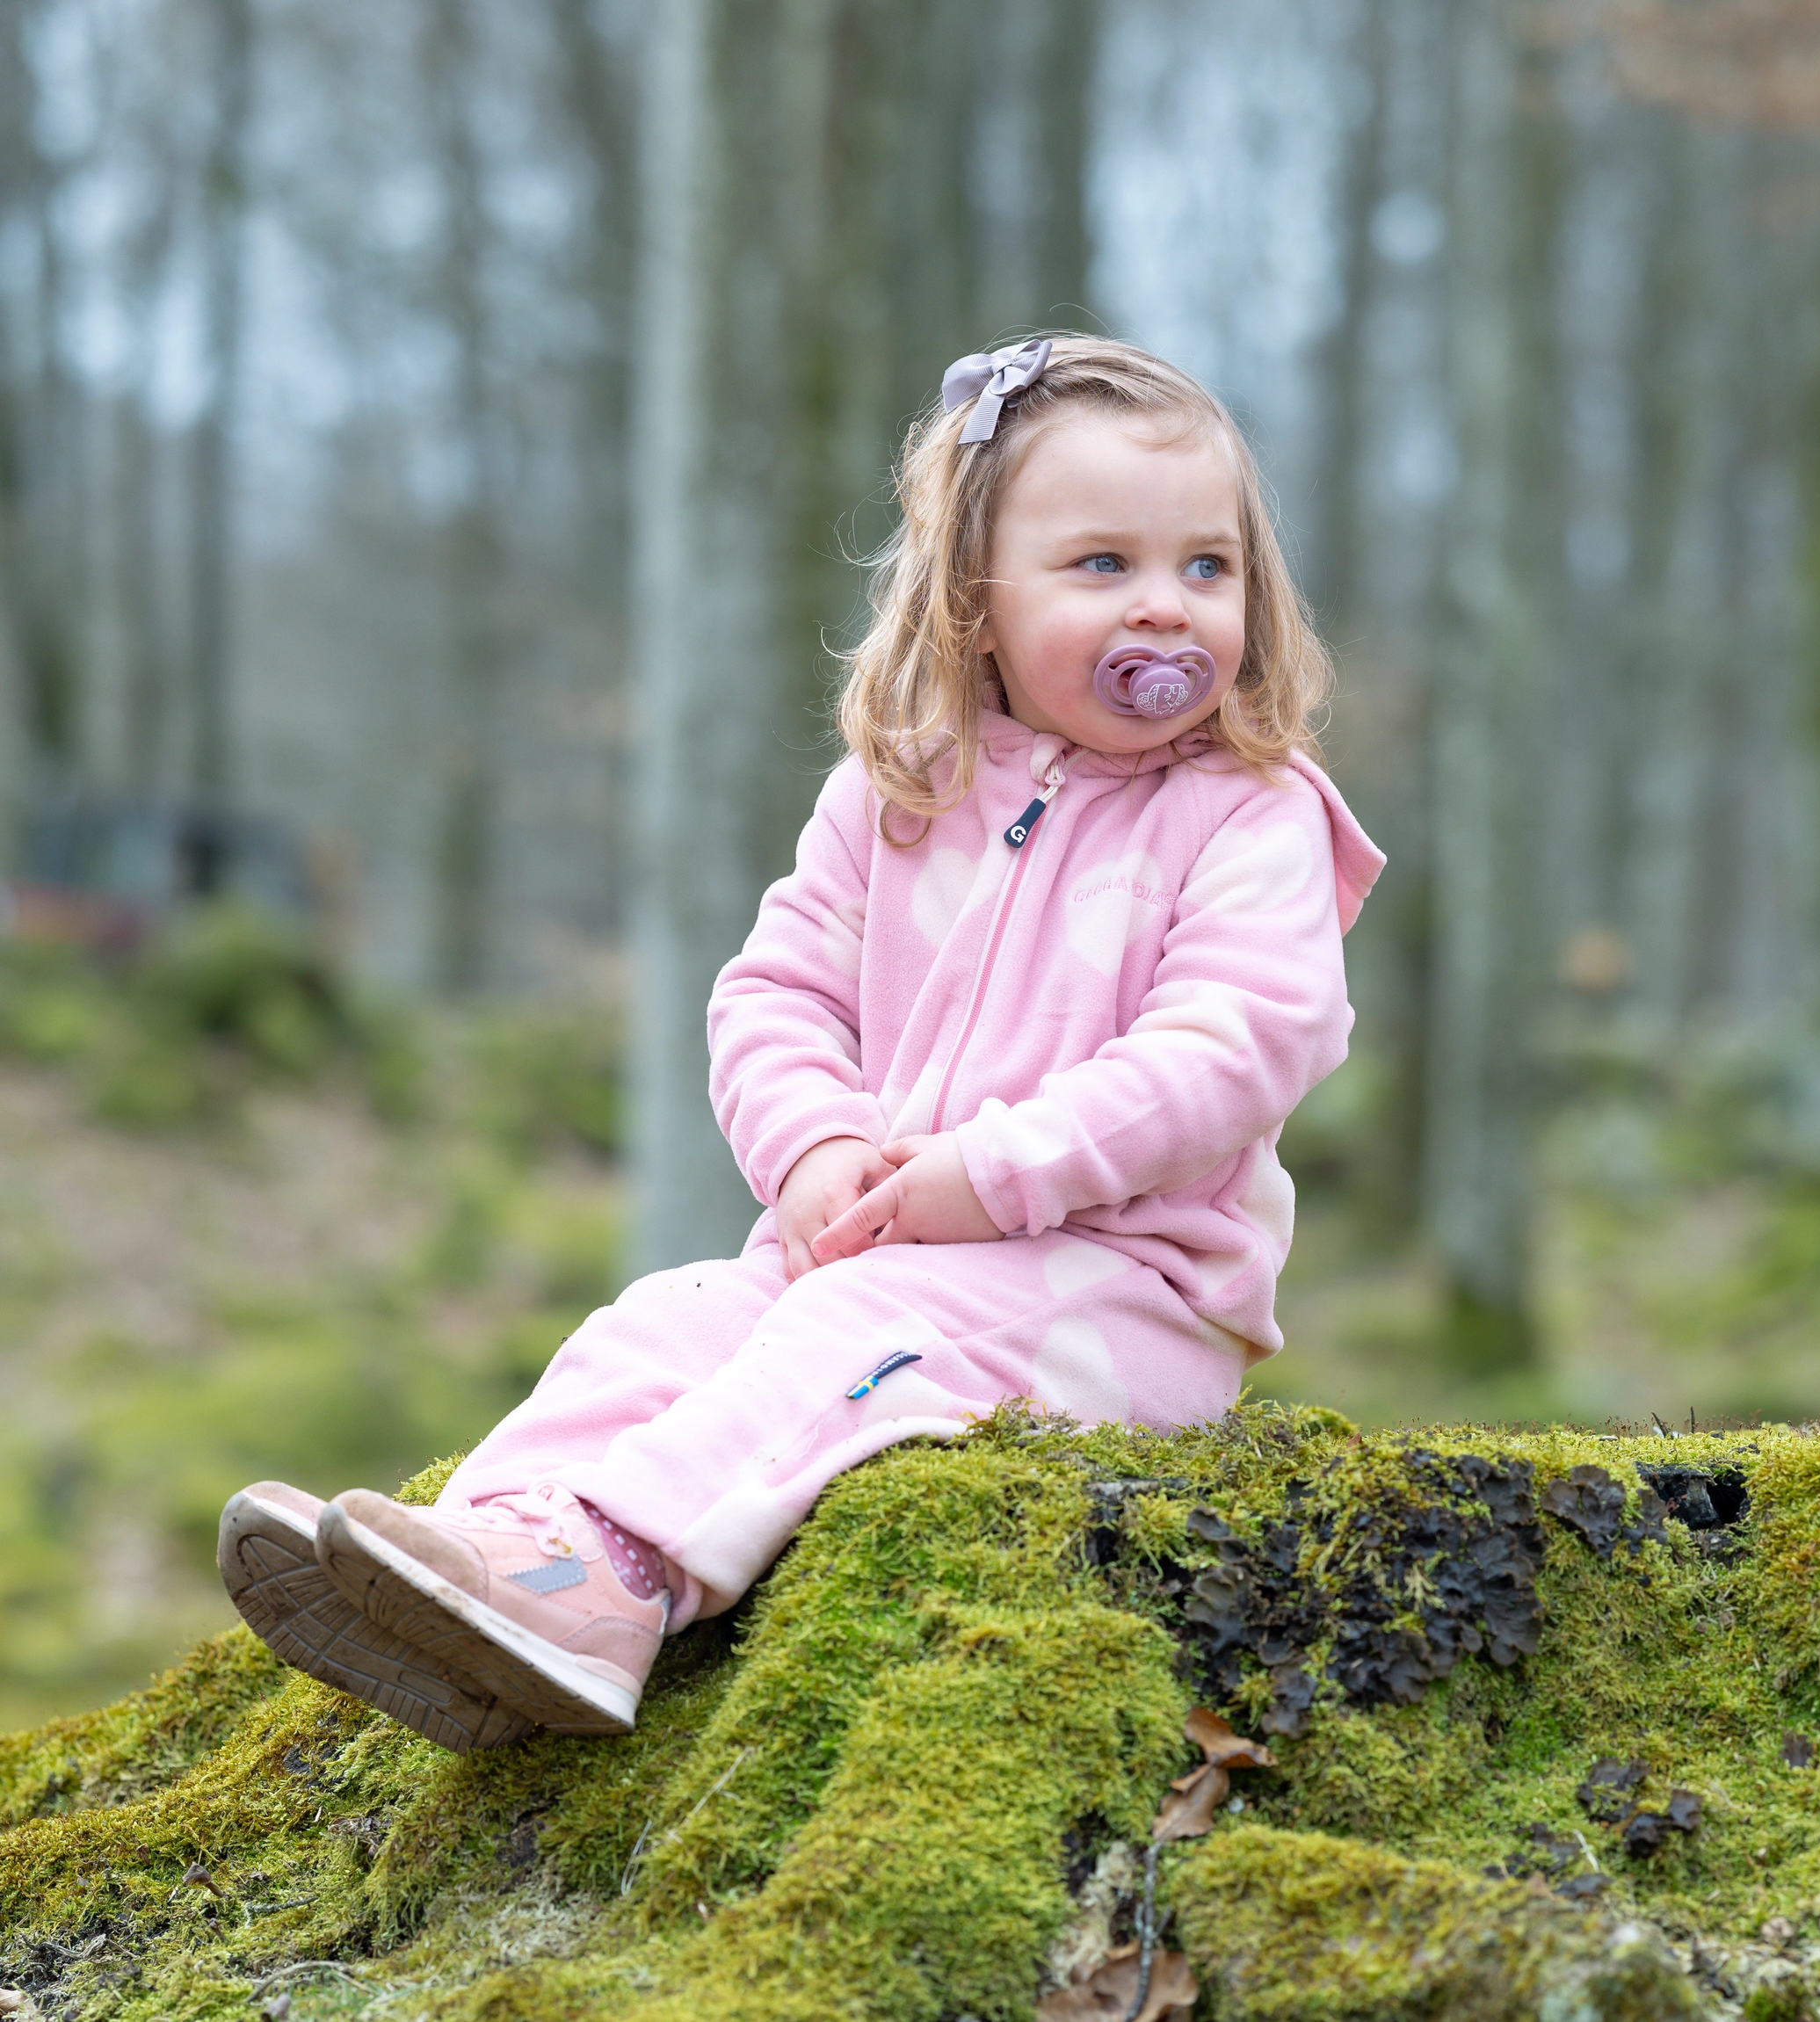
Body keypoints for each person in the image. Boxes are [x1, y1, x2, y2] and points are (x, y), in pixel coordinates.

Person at [216, 335, 1384, 1752]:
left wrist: (993, 1174)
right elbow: (773, 995)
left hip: (1116, 1290)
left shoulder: (1249, 812)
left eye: (1208, 568)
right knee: (665, 1321)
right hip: (885, 1246)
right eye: (1103, 567)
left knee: (843, 1334)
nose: (1168, 608)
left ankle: (622, 1578)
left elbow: (1242, 1043)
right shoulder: (900, 793)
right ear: (975, 603)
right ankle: (478, 1571)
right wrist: (815, 1146)